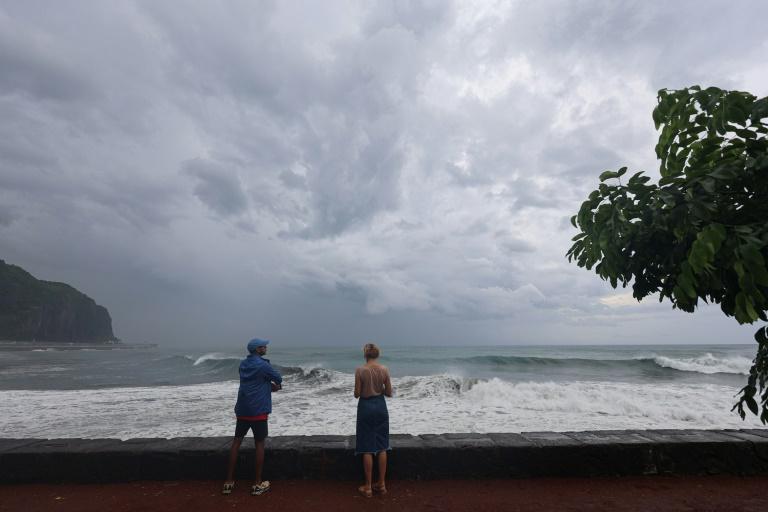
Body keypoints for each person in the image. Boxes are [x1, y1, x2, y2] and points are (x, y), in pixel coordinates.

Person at [222, 337, 282, 496]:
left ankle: (228, 482)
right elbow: (279, 378)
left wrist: (267, 386)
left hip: (242, 409)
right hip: (259, 411)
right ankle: (257, 484)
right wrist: (273, 386)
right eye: (264, 346)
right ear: (258, 349)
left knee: (236, 442)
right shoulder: (263, 365)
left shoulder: (243, 364)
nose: (266, 348)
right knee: (259, 444)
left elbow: (252, 383)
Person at [354, 342, 393, 498]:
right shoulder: (384, 369)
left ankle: (368, 487)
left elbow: (357, 393)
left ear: (365, 354)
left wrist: (365, 389)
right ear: (377, 354)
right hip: (381, 406)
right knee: (382, 446)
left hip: (365, 407)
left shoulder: (360, 370)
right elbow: (389, 392)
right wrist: (379, 389)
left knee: (366, 447)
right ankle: (382, 484)